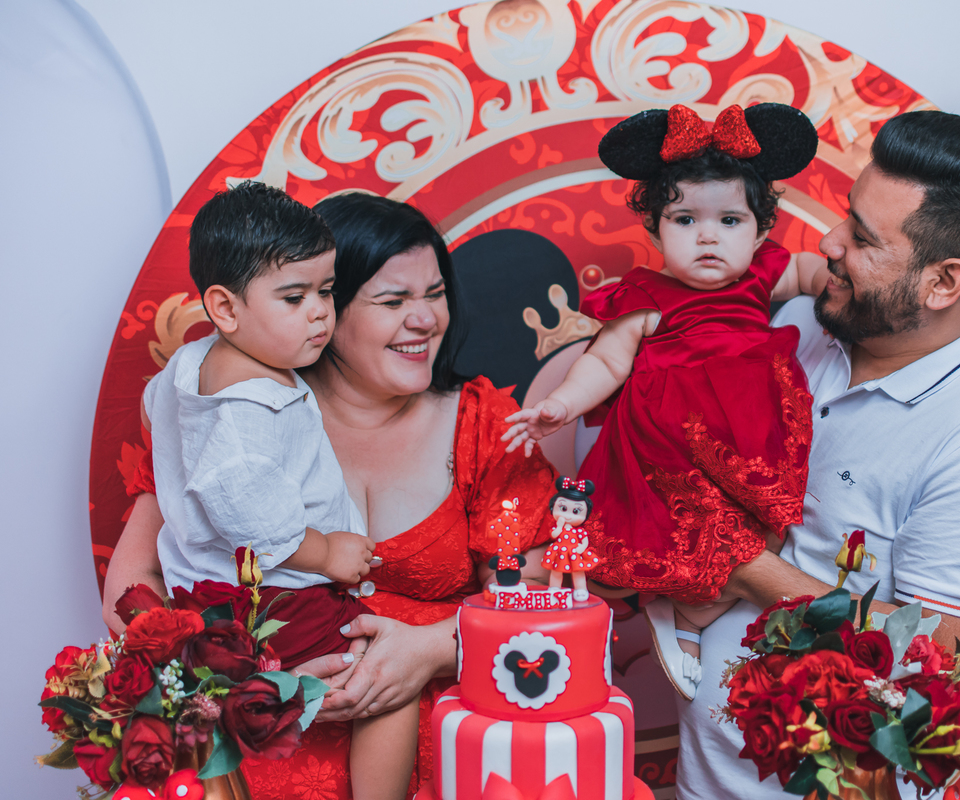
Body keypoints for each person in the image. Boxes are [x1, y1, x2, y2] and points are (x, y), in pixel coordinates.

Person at [103, 192, 558, 800]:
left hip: (447, 751)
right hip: (257, 746)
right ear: (327, 307)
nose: (425, 319)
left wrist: (429, 649)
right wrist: (242, 678)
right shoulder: (235, 416)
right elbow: (133, 586)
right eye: (393, 301)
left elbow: (539, 603)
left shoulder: (484, 425)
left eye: (435, 294)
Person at [673, 110, 960, 798]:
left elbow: (944, 657)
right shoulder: (806, 323)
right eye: (847, 215)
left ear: (944, 283)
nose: (828, 241)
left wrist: (747, 569)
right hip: (707, 773)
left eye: (863, 237)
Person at [502, 103, 831, 699]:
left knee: (765, 531)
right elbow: (605, 361)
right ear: (654, 230)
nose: (708, 235)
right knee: (683, 529)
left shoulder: (761, 278)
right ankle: (679, 612)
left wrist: (840, 283)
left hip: (754, 434)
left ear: (760, 232)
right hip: (669, 442)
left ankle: (694, 612)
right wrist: (564, 406)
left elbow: (811, 271)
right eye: (685, 219)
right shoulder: (648, 300)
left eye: (730, 220)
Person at [142, 182, 415, 800]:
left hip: (220, 596)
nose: (320, 311)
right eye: (294, 297)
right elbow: (251, 515)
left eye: (326, 290)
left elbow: (152, 406)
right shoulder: (247, 405)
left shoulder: (193, 366)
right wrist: (328, 553)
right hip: (275, 596)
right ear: (226, 307)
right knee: (386, 685)